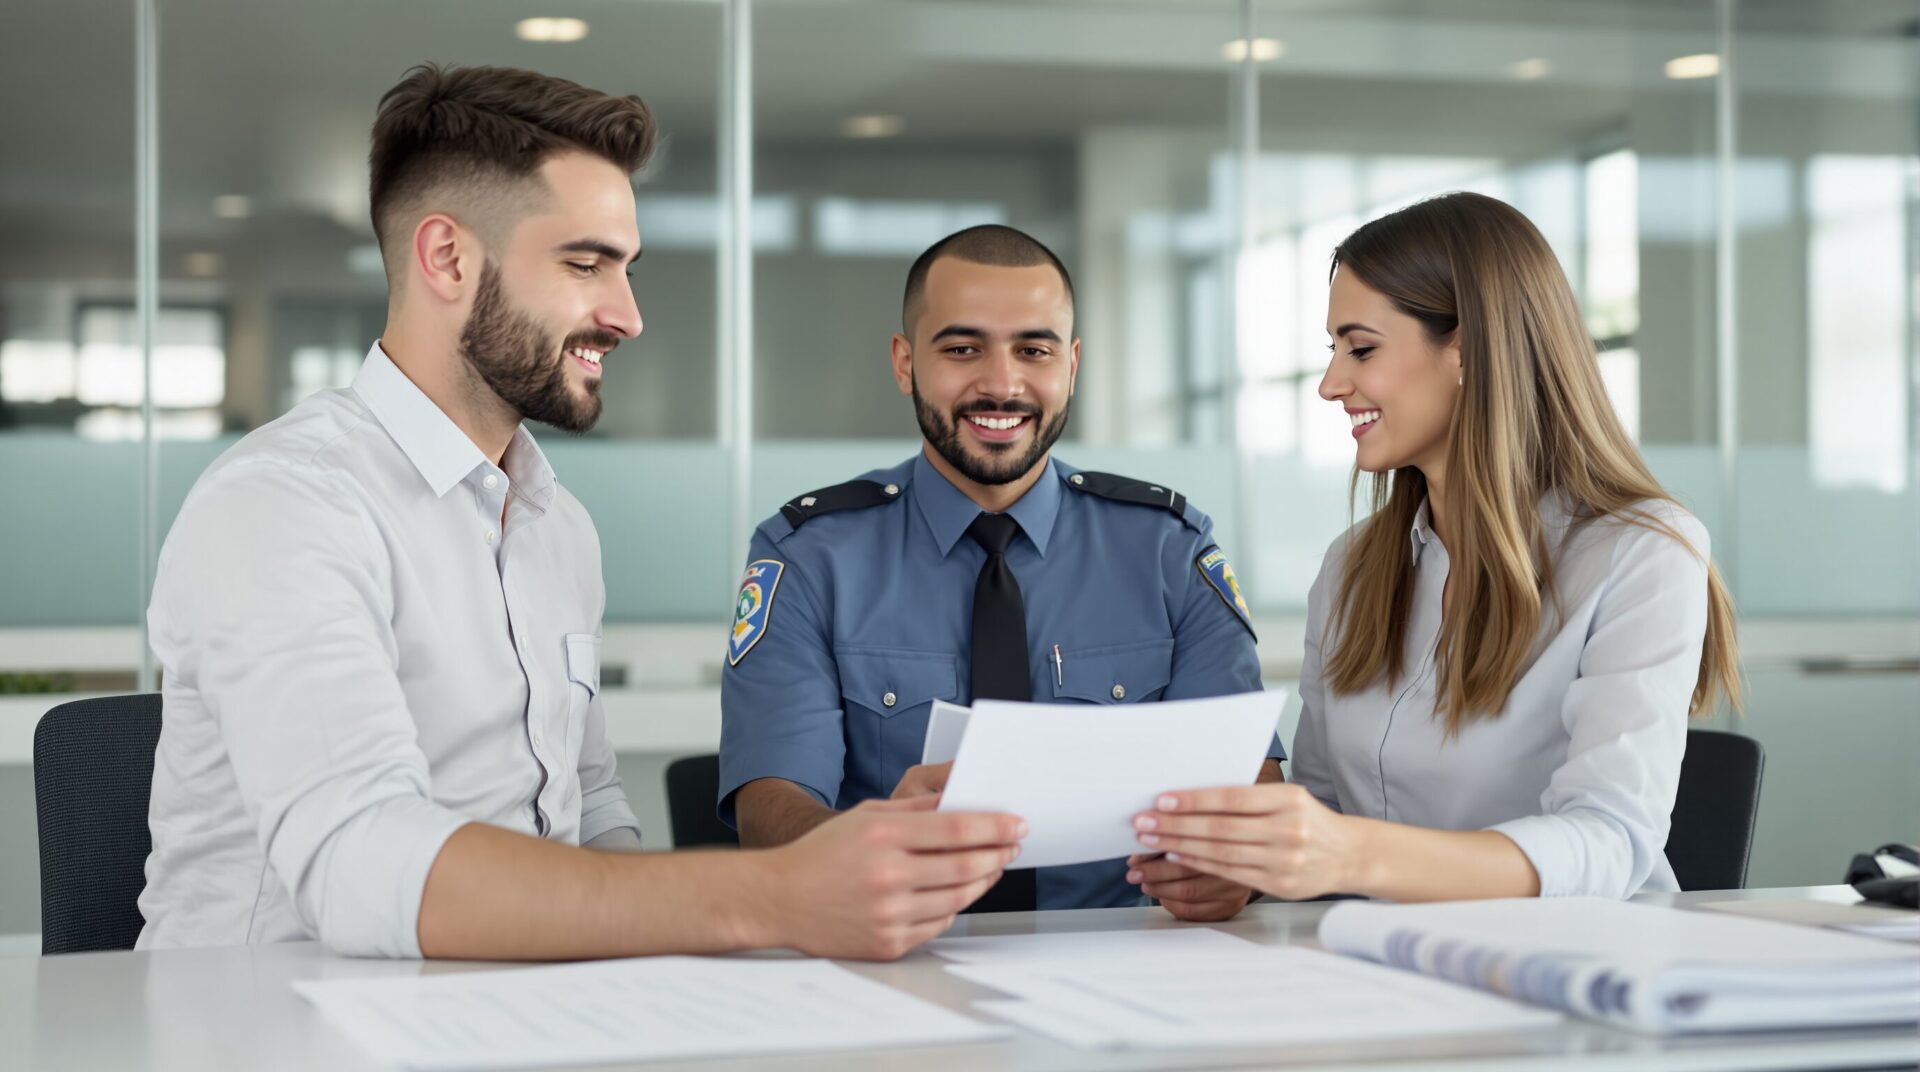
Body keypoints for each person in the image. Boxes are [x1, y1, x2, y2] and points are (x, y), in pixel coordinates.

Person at [137, 63, 1022, 962]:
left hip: (514, 1006)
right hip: (275, 1016)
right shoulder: (283, 505)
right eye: (586, 264)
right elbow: (361, 864)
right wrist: (776, 894)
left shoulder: (557, 527)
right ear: (447, 258)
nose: (628, 316)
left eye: (626, 269)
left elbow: (587, 805)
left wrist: (677, 966)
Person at [1131, 193, 1741, 902]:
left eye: (1361, 349)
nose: (1331, 385)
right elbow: (1326, 812)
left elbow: (1610, 841)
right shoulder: (1352, 570)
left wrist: (1350, 856)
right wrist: (1244, 872)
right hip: (1371, 954)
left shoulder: (1641, 554)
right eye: (1333, 351)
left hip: (1575, 956)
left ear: (1468, 350)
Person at [720, 224, 1283, 921]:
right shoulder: (808, 556)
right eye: (962, 349)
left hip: (1126, 953)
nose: (1000, 384)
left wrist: (1237, 867)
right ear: (905, 363)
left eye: (1033, 351)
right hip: (893, 949)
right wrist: (867, 845)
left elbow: (1250, 782)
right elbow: (769, 810)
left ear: (1071, 366)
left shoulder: (1170, 549)